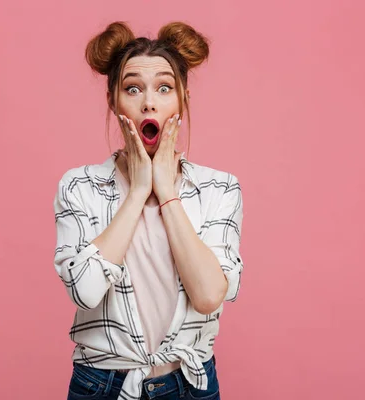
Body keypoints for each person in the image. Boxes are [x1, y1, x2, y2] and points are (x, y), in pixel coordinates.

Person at [53, 20, 244, 400]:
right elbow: (86, 291)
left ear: (183, 100)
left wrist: (167, 193)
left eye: (164, 88)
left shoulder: (219, 188)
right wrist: (139, 190)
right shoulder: (79, 186)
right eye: (133, 88)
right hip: (102, 385)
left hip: (189, 385)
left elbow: (208, 296)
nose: (149, 102)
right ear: (113, 100)